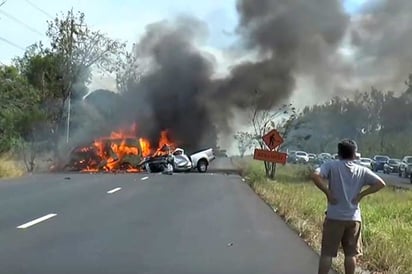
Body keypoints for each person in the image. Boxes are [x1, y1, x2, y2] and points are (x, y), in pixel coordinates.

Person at [311, 139, 386, 274]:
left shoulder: (331, 166)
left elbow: (315, 176)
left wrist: (328, 193)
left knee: (327, 254)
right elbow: (381, 183)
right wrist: (361, 195)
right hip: (353, 218)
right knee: (351, 254)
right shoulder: (362, 170)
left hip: (334, 216)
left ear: (339, 153)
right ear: (354, 153)